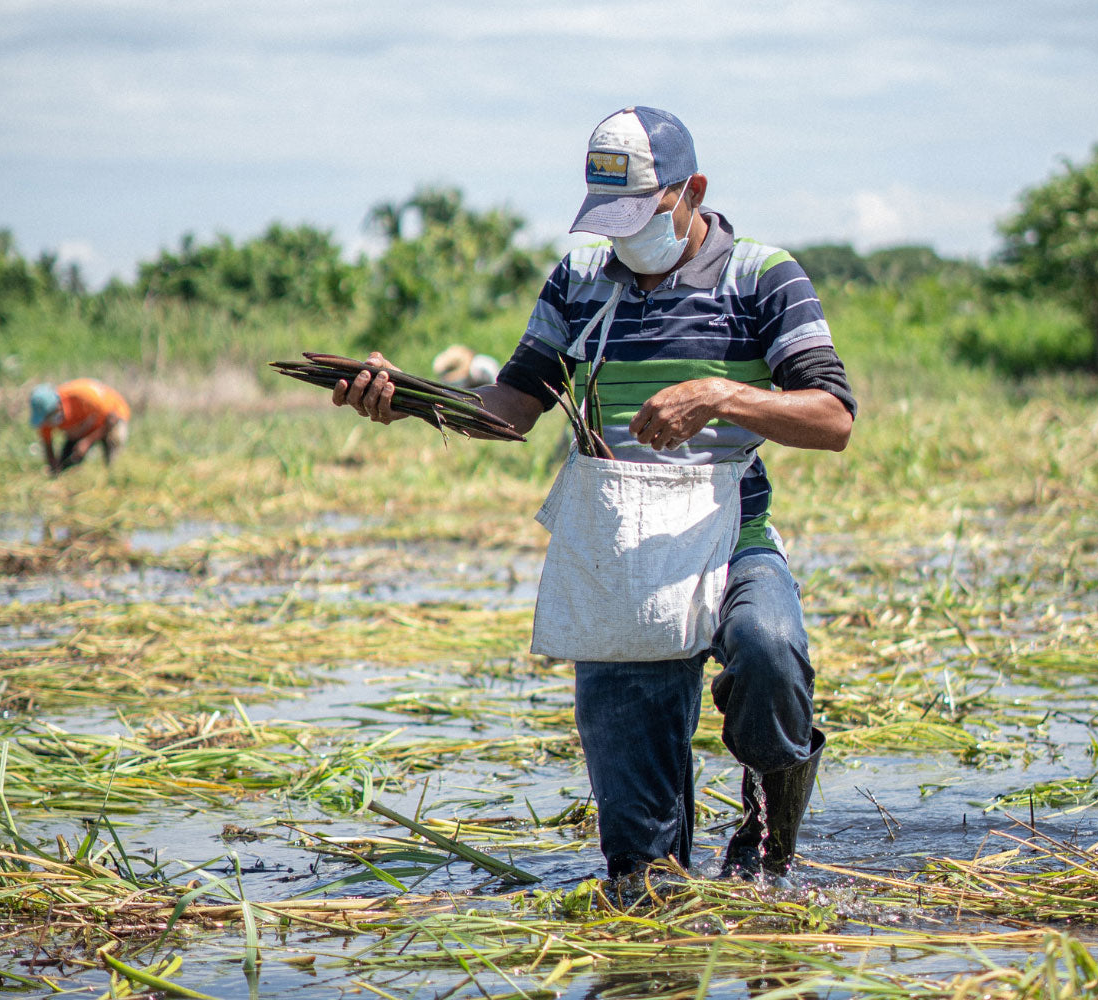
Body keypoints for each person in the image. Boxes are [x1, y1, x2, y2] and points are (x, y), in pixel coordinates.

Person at [335, 106, 855, 882]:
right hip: (617, 560)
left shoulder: (761, 277)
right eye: (609, 219)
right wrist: (404, 396)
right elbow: (510, 411)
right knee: (640, 873)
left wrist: (718, 394)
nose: (624, 236)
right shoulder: (579, 281)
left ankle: (769, 844)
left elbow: (833, 418)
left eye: (641, 214)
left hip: (729, 543)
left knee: (770, 653)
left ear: (693, 191)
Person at [29, 378, 131, 475]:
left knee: (112, 453)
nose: (49, 421)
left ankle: (112, 478)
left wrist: (87, 442)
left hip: (112, 417)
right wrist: (53, 465)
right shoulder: (45, 418)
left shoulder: (85, 397)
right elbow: (47, 443)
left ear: (58, 404)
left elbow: (112, 419)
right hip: (86, 422)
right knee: (68, 460)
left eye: (50, 416)